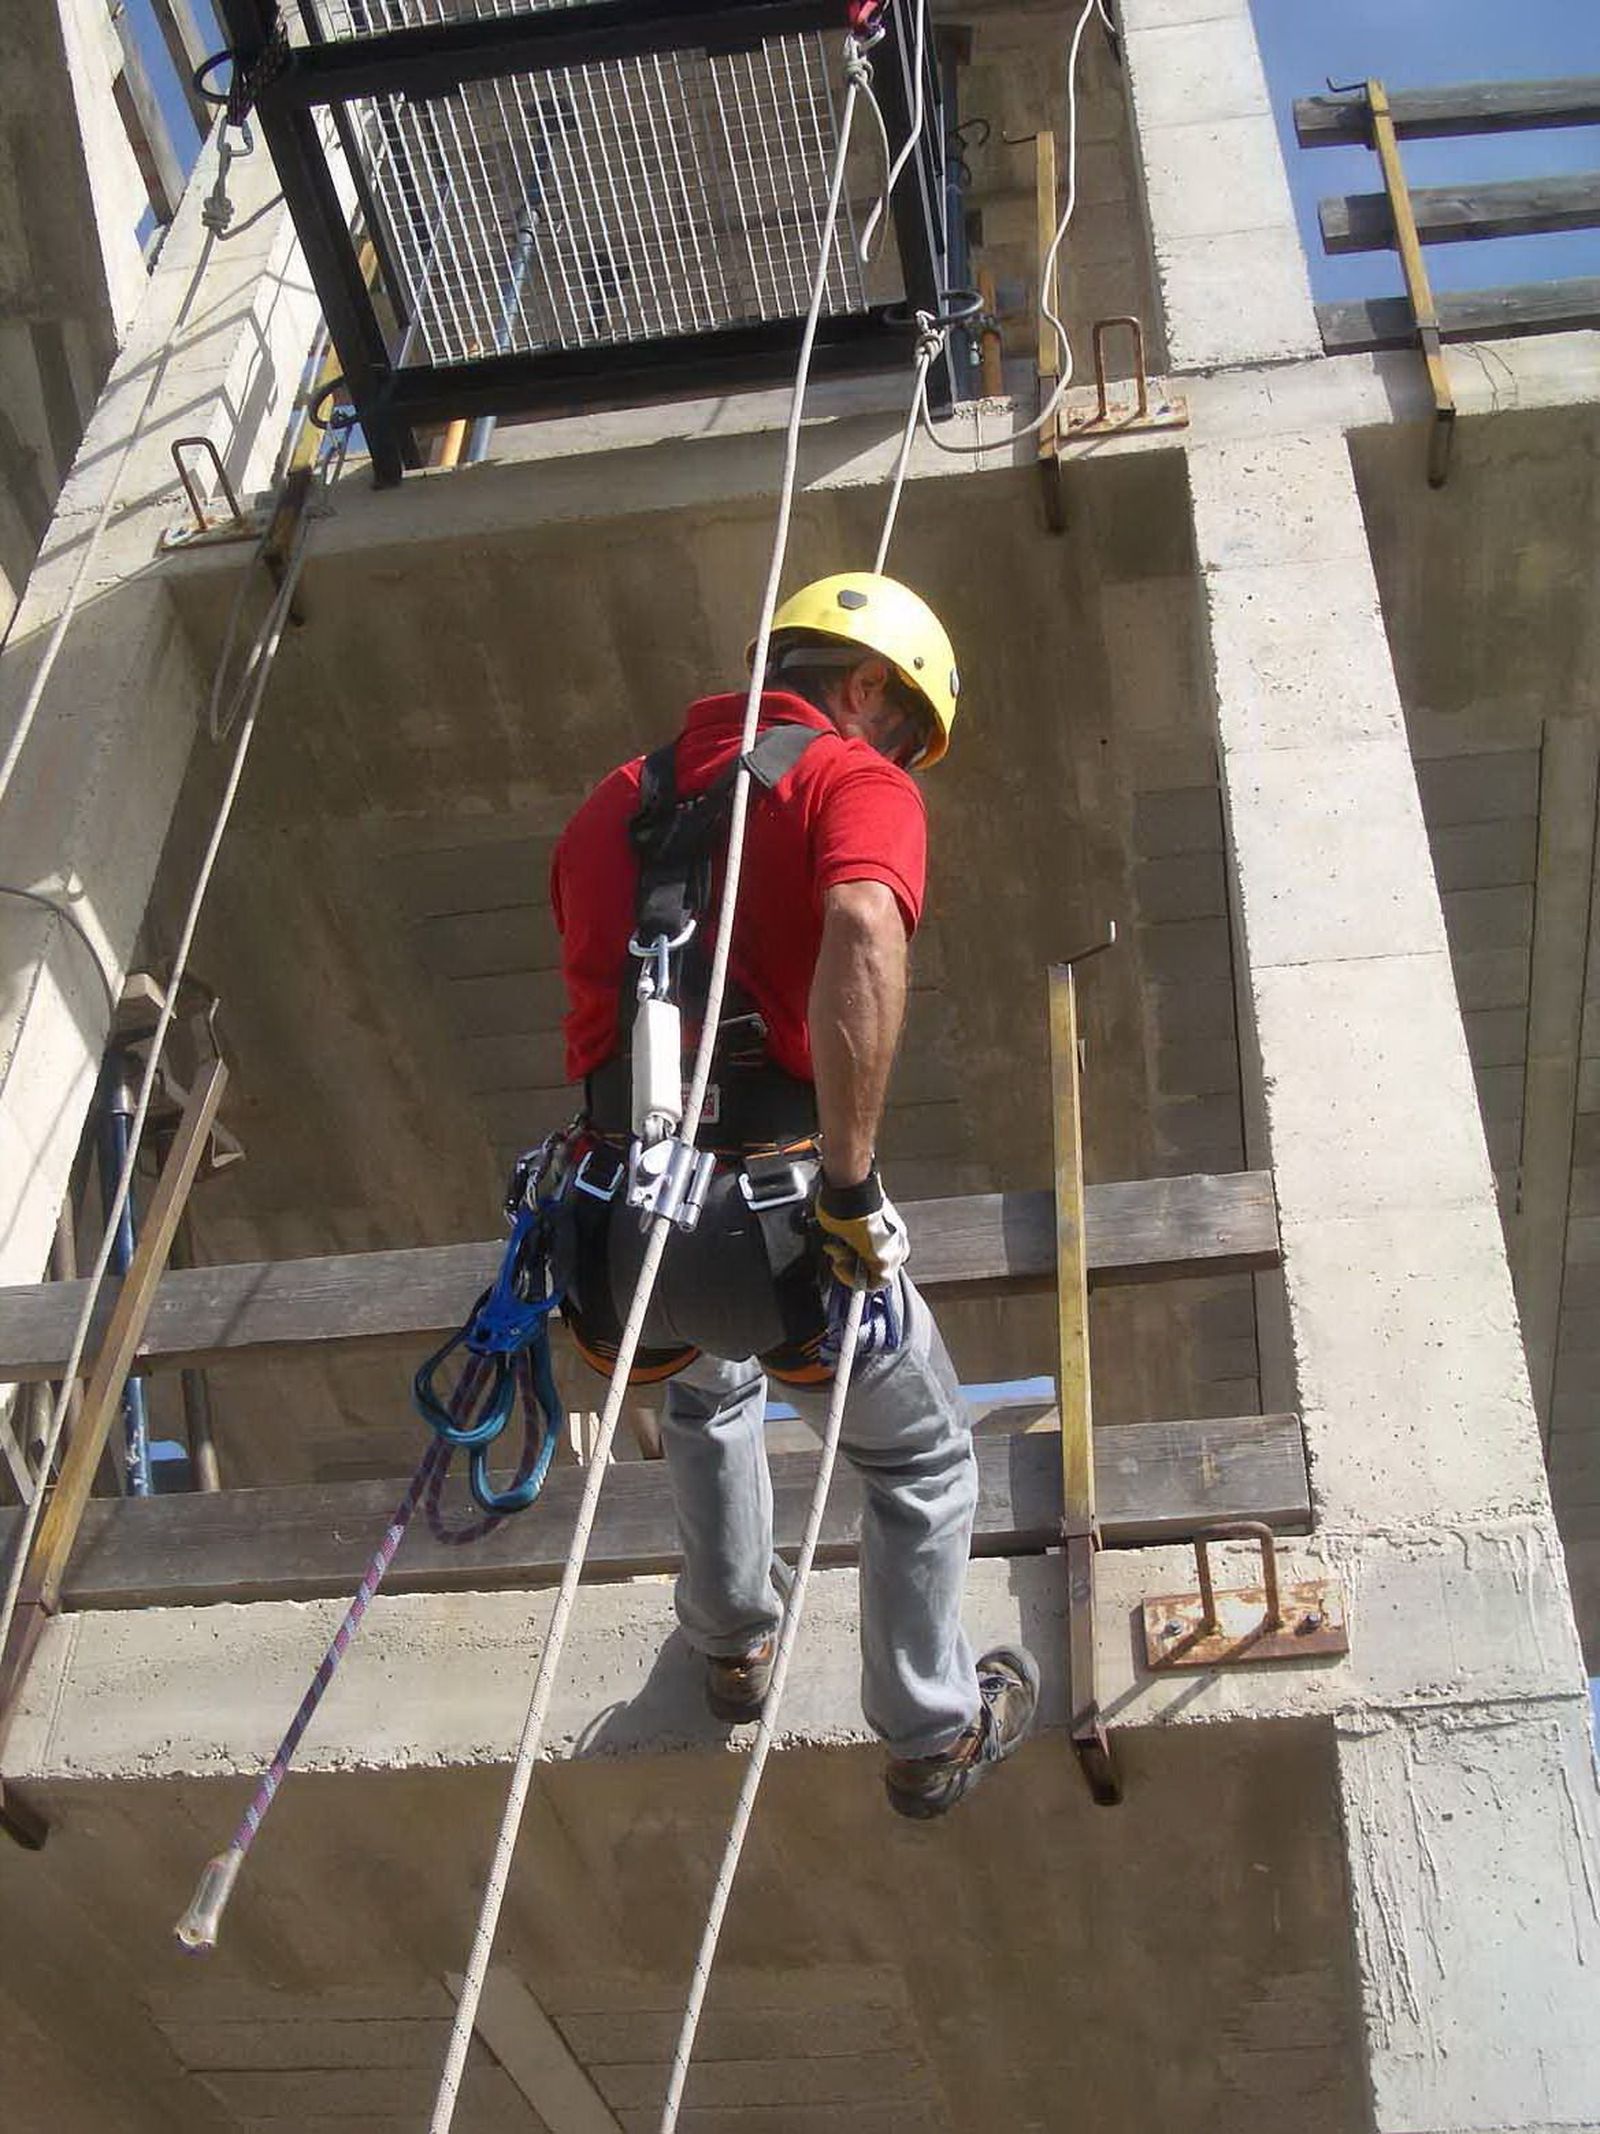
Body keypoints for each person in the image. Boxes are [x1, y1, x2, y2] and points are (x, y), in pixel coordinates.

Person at [549, 572, 1038, 1818]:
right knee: (922, 1457)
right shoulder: (849, 781)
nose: (900, 756)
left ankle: (732, 1644)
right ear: (860, 684)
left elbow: (597, 1007)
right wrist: (849, 1184)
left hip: (612, 1234)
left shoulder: (607, 806)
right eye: (902, 727)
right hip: (767, 1227)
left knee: (708, 1390)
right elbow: (864, 931)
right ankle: (931, 1726)